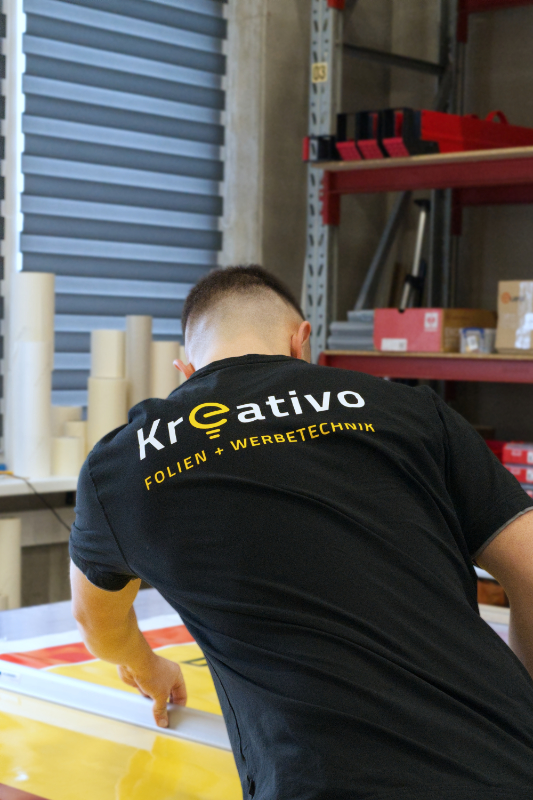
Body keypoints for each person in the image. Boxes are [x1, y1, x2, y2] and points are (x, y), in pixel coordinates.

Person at [70, 265, 533, 800]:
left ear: (186, 369)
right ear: (302, 341)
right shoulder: (413, 411)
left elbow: (95, 620)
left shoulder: (124, 465)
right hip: (509, 764)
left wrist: (146, 664)